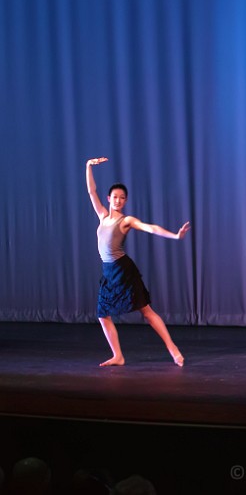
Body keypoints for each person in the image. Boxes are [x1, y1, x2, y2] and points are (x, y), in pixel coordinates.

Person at [86, 157, 190, 367]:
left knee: (146, 312)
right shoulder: (103, 216)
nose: (118, 201)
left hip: (123, 271)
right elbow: (91, 191)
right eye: (115, 197)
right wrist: (88, 166)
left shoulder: (126, 221)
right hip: (108, 272)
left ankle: (173, 348)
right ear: (109, 198)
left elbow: (150, 228)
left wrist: (175, 236)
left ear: (125, 201)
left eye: (122, 198)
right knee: (102, 314)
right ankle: (118, 356)